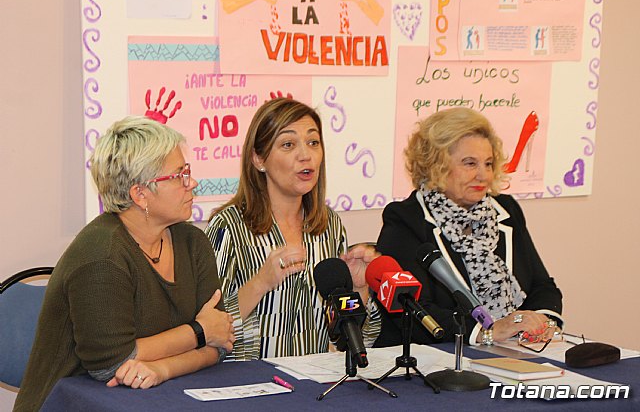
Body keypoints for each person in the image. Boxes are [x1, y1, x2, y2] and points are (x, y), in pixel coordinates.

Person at [14, 116, 235, 412]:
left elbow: (220, 343)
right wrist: (198, 331)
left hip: (155, 397)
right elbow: (112, 364)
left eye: (188, 171)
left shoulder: (192, 242)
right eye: (178, 175)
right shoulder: (101, 255)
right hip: (70, 404)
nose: (192, 183)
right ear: (140, 194)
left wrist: (162, 368)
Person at [204, 97, 381, 360]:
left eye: (313, 142)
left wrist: (359, 290)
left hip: (314, 378)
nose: (305, 155)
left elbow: (353, 340)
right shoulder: (228, 227)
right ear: (258, 158)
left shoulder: (329, 225)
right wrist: (260, 283)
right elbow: (208, 328)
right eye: (288, 144)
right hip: (250, 380)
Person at [374, 107, 563, 348]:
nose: (483, 175)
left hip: (512, 351)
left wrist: (540, 321)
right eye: (470, 163)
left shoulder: (505, 211)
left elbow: (542, 286)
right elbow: (411, 309)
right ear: (436, 165)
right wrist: (486, 332)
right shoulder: (406, 219)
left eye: (488, 163)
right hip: (436, 358)